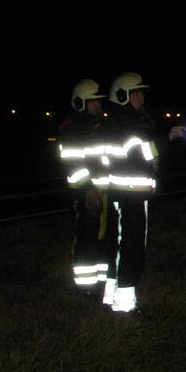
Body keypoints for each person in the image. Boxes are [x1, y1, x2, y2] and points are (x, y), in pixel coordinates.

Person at [103, 72, 185, 314]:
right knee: (131, 248)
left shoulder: (131, 119)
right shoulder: (125, 122)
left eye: (141, 92)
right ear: (121, 96)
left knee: (122, 247)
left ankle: (112, 297)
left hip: (132, 192)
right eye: (135, 92)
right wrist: (167, 138)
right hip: (130, 193)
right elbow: (138, 152)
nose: (141, 97)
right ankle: (125, 305)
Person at [58, 79, 115, 298]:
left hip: (104, 193)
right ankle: (85, 289)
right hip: (87, 195)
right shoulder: (72, 128)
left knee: (102, 240)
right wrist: (88, 190)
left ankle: (100, 284)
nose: (98, 105)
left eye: (99, 101)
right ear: (80, 102)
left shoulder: (97, 126)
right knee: (86, 240)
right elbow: (73, 164)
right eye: (93, 102)